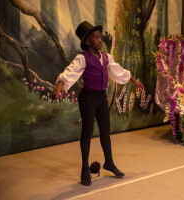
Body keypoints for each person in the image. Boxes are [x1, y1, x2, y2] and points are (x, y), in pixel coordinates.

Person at [52, 21, 144, 186]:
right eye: (96, 38)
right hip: (88, 99)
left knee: (105, 132)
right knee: (87, 133)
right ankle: (85, 170)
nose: (100, 40)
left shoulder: (107, 58)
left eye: (100, 37)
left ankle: (109, 162)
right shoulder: (82, 58)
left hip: (101, 98)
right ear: (88, 42)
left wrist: (134, 81)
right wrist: (59, 86)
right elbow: (69, 73)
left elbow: (118, 70)